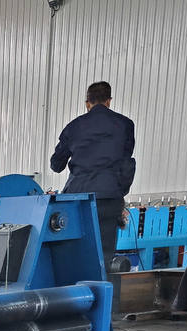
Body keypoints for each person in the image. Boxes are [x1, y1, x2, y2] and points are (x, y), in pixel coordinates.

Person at [50, 81, 135, 268]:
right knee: (104, 259)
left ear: (87, 103)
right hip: (109, 197)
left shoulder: (74, 127)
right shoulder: (125, 125)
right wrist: (119, 191)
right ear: (109, 101)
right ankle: (103, 285)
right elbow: (126, 163)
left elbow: (56, 165)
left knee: (75, 252)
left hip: (78, 199)